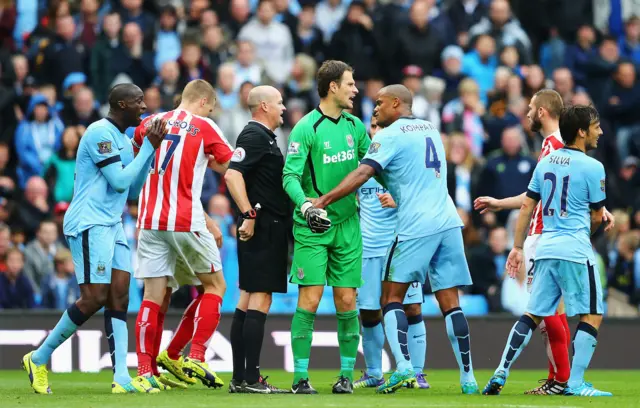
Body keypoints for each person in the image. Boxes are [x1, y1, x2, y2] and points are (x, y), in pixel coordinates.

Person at [313, 84, 478, 395]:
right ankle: (468, 379)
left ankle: (402, 368)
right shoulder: (430, 128)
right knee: (450, 303)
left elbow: (362, 174)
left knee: (391, 298)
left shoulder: (390, 134)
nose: (374, 109)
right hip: (448, 221)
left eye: (379, 103)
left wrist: (325, 200)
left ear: (396, 103)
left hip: (416, 226)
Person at [22, 83, 167, 394]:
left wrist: (148, 152)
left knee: (120, 296)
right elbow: (117, 182)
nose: (144, 106)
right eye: (138, 101)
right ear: (121, 104)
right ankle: (38, 357)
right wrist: (148, 149)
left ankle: (121, 379)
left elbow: (131, 190)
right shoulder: (99, 132)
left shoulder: (127, 142)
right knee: (94, 298)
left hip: (112, 223)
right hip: (89, 223)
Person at [473, 89, 615, 394]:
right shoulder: (590, 165)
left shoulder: (546, 159)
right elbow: (594, 211)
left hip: (544, 242)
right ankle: (571, 382)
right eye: (595, 127)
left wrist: (517, 244)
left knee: (536, 313)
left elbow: (528, 204)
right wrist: (589, 227)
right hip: (572, 245)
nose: (599, 132)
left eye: (529, 109)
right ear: (581, 131)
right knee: (590, 313)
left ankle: (504, 371)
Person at [131, 79, 234, 390]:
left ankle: (146, 372)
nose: (211, 112)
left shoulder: (149, 122)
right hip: (184, 221)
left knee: (154, 296)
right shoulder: (203, 126)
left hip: (149, 221)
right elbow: (229, 164)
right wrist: (214, 163)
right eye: (212, 107)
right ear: (203, 102)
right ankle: (196, 356)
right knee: (215, 286)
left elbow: (139, 156)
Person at [282, 60, 369, 394]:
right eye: (350, 83)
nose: (355, 89)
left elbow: (371, 168)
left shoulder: (354, 126)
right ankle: (300, 378)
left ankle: (346, 376)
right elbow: (289, 176)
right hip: (313, 226)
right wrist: (305, 206)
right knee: (311, 299)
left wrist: (388, 193)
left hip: (348, 223)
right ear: (333, 86)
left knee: (347, 300)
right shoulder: (307, 127)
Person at [353, 115, 429, 390]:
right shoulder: (361, 162)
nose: (378, 131)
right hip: (368, 248)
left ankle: (417, 373)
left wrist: (399, 200)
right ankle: (374, 372)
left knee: (411, 308)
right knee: (369, 312)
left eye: (382, 127)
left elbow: (425, 195)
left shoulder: (404, 160)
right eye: (374, 127)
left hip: (401, 245)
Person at [225, 86, 290, 394]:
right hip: (264, 226)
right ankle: (251, 379)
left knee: (247, 298)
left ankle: (240, 378)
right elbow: (232, 175)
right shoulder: (254, 136)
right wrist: (249, 214)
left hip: (263, 225)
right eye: (279, 103)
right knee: (260, 298)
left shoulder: (262, 138)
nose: (284, 108)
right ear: (264, 106)